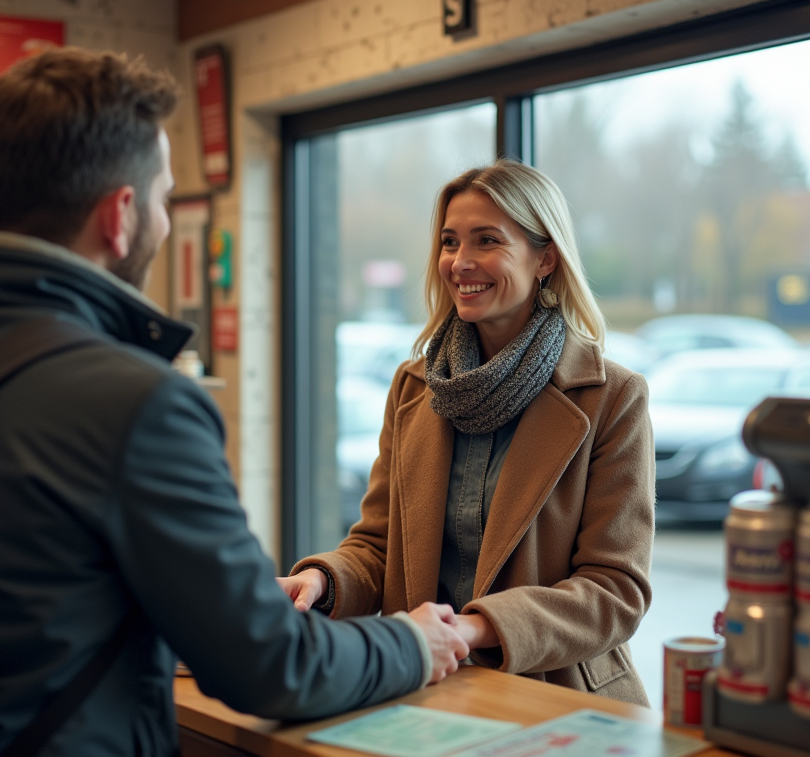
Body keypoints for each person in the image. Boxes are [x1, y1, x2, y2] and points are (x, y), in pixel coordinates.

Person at [0, 48, 468, 757]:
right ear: (120, 215)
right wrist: (409, 642)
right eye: (163, 198)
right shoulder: (139, 403)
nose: (164, 220)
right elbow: (272, 667)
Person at [278, 160, 655, 705]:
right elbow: (378, 547)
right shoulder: (414, 386)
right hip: (428, 690)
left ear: (545, 258)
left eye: (487, 241)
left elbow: (614, 592)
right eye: (450, 242)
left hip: (559, 698)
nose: (461, 262)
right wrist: (323, 581)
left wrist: (474, 629)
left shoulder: (612, 397)